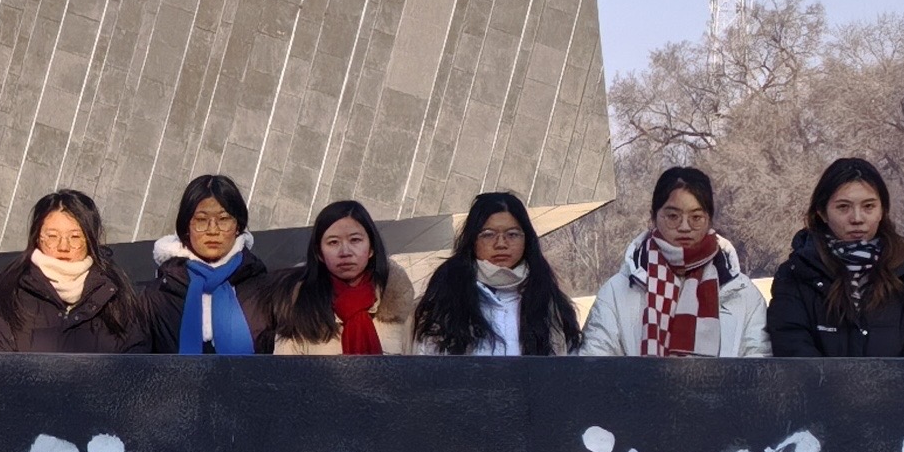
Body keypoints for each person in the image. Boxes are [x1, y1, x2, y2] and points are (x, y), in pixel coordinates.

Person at [766, 157, 904, 357]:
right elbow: (792, 347)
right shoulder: (796, 274)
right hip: (817, 379)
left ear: (882, 211)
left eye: (868, 206)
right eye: (843, 207)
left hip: (902, 379)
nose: (857, 218)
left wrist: (890, 378)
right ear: (822, 212)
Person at [581, 168, 766, 357]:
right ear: (653, 217)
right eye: (673, 216)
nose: (685, 227)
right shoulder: (616, 293)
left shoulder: (742, 294)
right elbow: (594, 366)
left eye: (696, 218)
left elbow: (759, 367)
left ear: (709, 220)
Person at [413, 191, 585, 357]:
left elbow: (569, 368)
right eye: (488, 235)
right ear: (473, 240)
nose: (501, 244)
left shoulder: (551, 304)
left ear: (526, 239)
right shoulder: (444, 301)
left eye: (512, 234)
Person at [0, 190, 151, 352]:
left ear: (90, 240)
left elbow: (135, 359)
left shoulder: (114, 296)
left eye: (75, 237)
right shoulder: (12, 294)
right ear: (37, 238)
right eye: (52, 236)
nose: (63, 247)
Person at [148, 174, 276, 355]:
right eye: (201, 220)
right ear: (186, 227)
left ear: (238, 226)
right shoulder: (157, 296)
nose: (213, 230)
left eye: (223, 219)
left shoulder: (267, 293)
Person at [270, 199, 414, 354]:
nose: (345, 252)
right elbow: (284, 368)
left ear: (371, 247)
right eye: (333, 242)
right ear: (319, 253)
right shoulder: (297, 311)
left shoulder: (401, 309)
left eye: (355, 240)